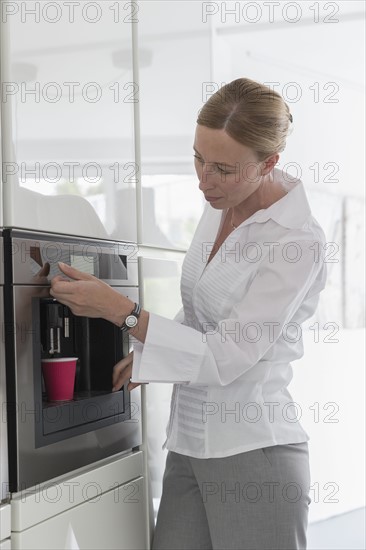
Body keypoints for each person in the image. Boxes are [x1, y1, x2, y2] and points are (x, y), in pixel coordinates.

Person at [50, 77, 328, 550]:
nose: (204, 179)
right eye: (198, 157)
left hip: (253, 452)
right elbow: (201, 313)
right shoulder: (221, 203)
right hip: (187, 444)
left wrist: (126, 314)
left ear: (269, 163)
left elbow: (225, 356)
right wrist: (149, 354)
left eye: (222, 168)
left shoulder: (295, 241)